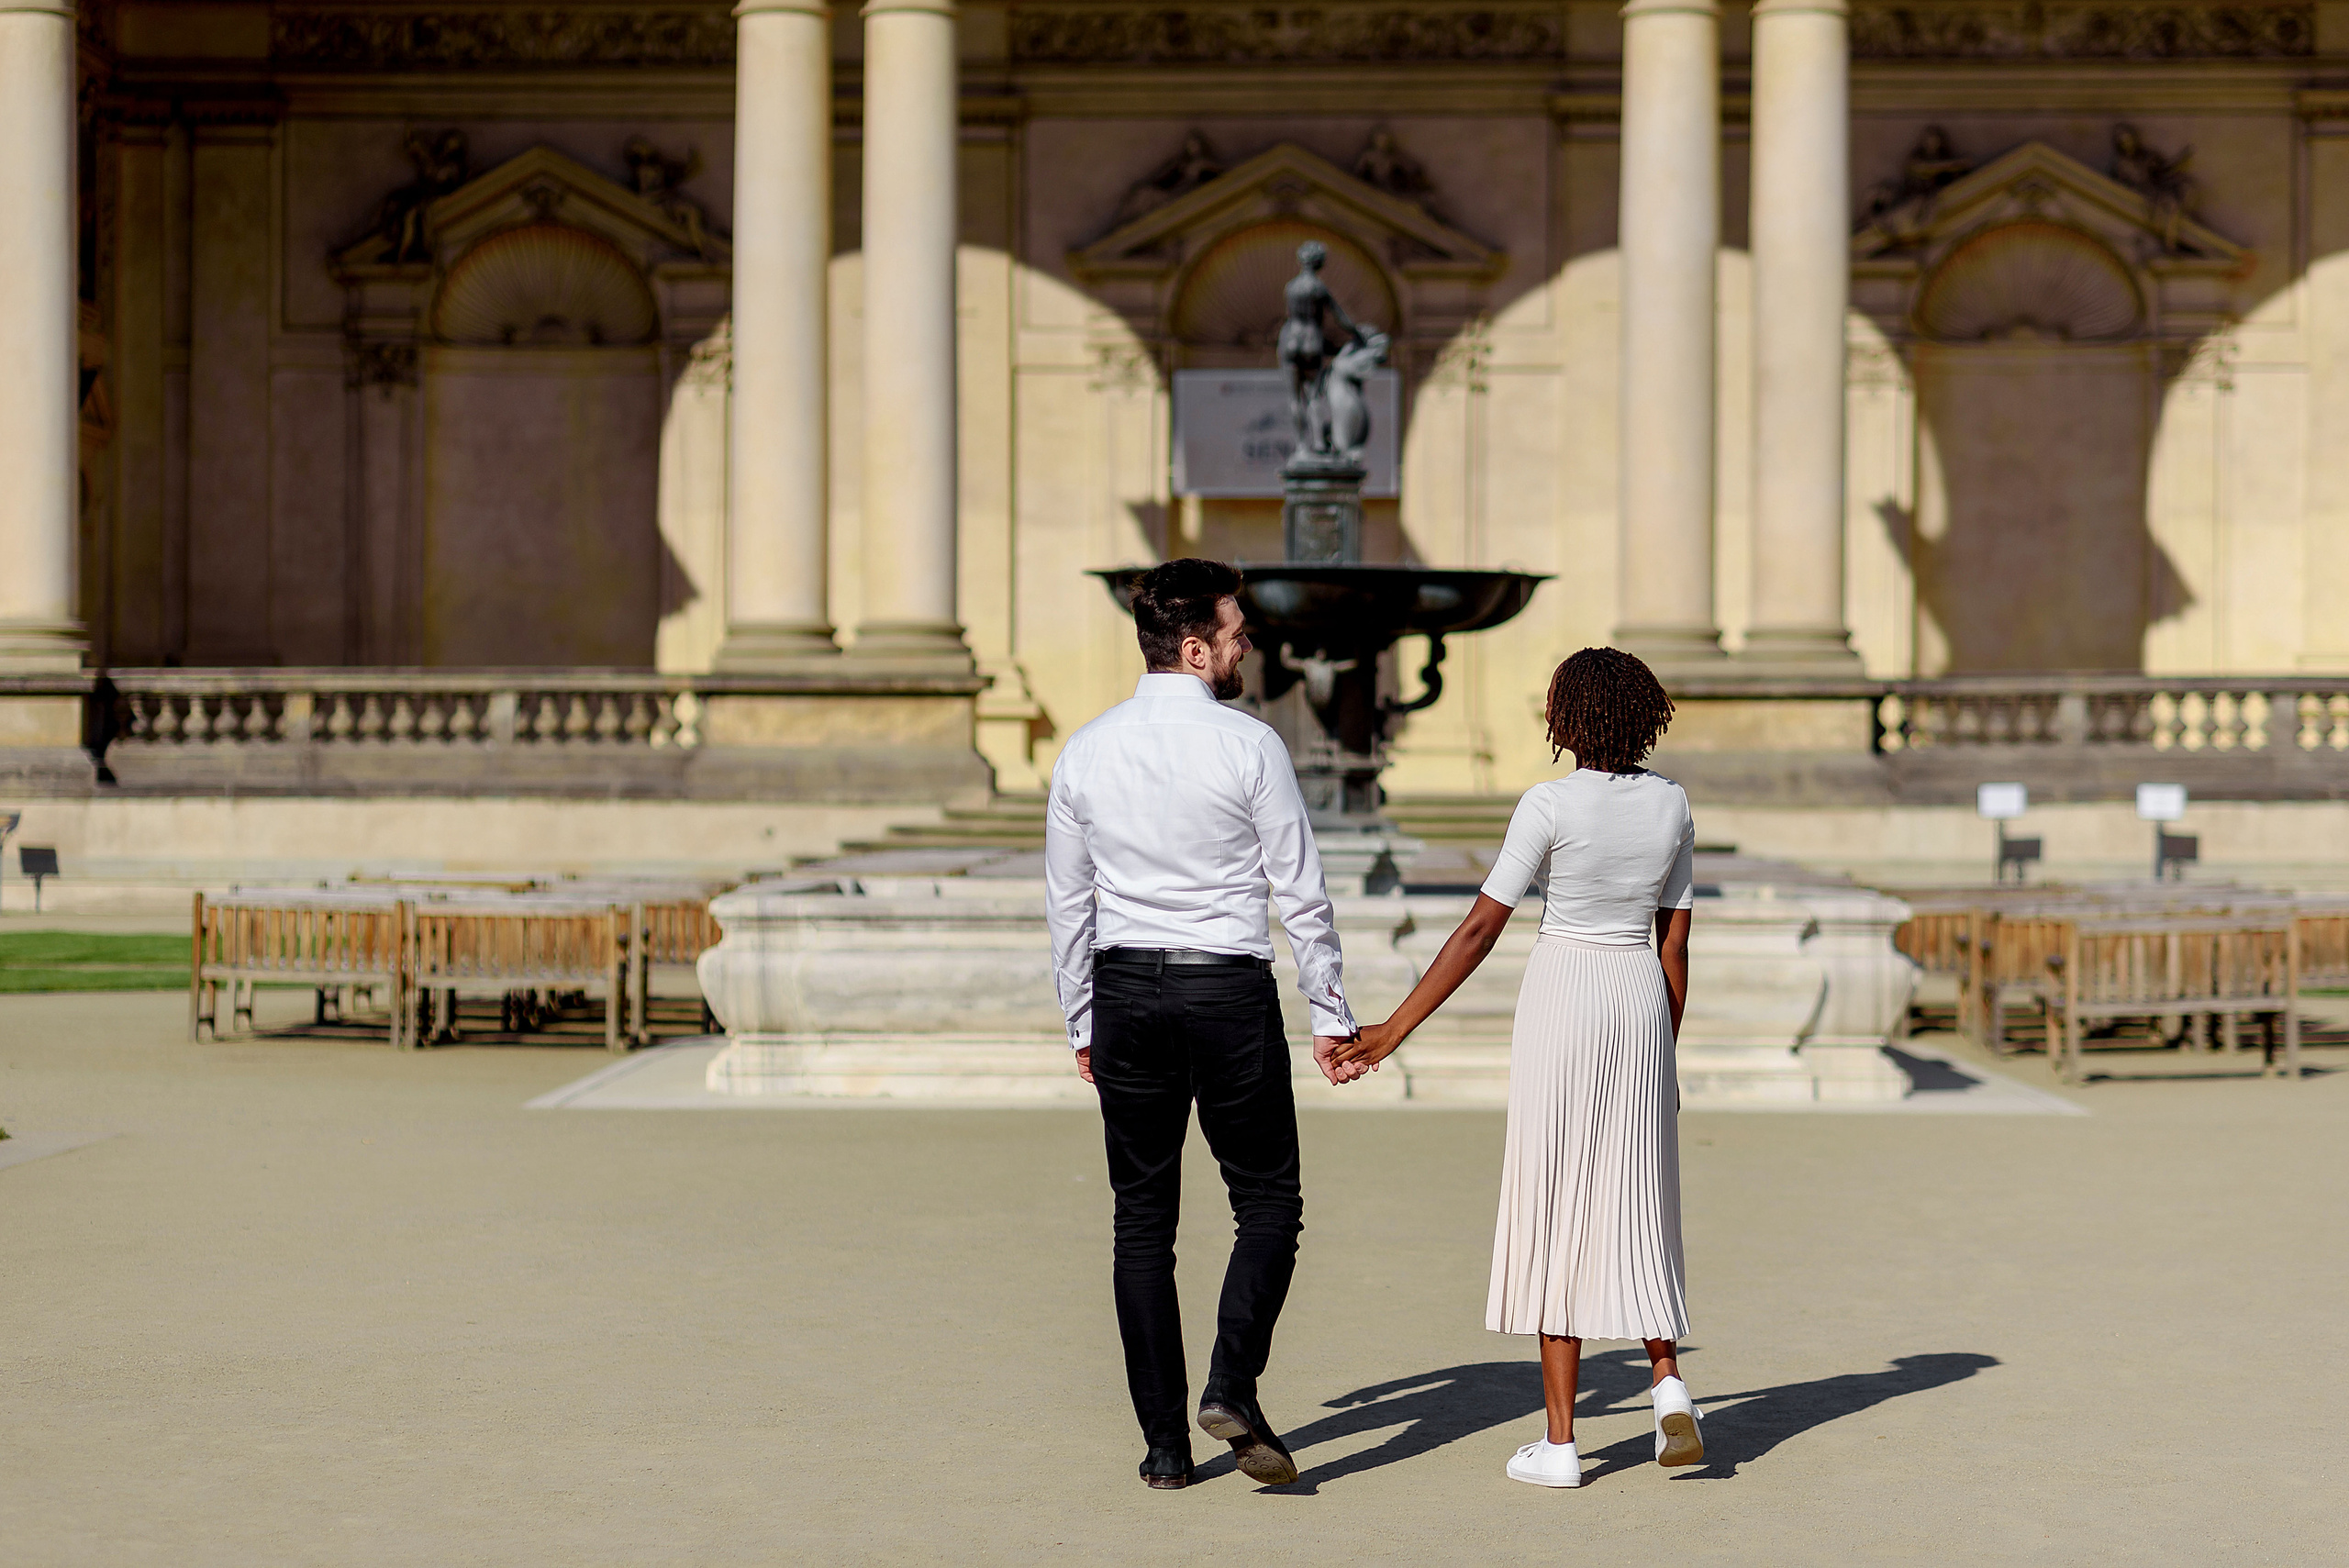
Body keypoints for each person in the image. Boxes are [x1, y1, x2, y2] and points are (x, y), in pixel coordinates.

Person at [1330, 647, 1703, 1489]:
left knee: (1555, 1197)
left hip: (1565, 991)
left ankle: (1563, 1445)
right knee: (1638, 1193)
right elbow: (1674, 942)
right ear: (1643, 714)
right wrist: (1660, 1049)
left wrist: (1395, 1028)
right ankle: (1667, 1380)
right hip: (1638, 996)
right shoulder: (1672, 805)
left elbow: (1478, 930)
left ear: (1567, 717)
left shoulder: (1548, 803)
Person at [1044, 557, 1361, 1492]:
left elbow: (1069, 903)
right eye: (1235, 632)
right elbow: (1300, 892)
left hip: (1125, 987)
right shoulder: (1249, 744)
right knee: (1267, 1202)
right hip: (1224, 987)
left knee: (1141, 1221)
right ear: (1195, 647)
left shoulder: (1084, 749)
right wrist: (1331, 1013)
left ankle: (1163, 1449)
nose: (1245, 646)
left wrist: (1081, 1019)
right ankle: (1229, 1380)